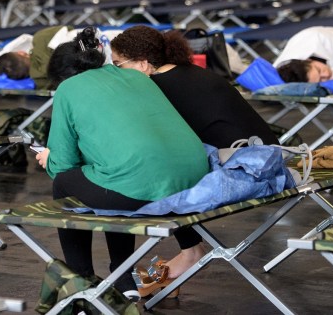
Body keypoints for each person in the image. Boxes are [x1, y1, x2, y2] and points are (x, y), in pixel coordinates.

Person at [34, 29, 209, 300]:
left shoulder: (68, 89)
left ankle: (80, 283)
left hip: (143, 184)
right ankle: (123, 276)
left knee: (67, 183)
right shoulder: (133, 75)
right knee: (112, 177)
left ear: (62, 76)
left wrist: (48, 158)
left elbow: (62, 165)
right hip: (195, 177)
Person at [110, 25, 278, 282]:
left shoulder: (157, 89)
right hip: (270, 159)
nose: (115, 73)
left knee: (133, 182)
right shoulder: (192, 72)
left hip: (246, 170)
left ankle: (129, 275)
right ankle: (189, 249)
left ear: (143, 64)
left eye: (118, 65)